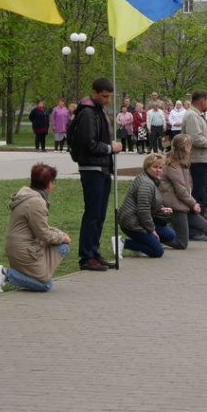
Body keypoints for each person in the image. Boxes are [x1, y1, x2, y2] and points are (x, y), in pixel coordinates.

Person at [0, 164, 71, 293]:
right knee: (46, 285)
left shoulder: (28, 196)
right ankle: (6, 274)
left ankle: (31, 276)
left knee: (63, 247)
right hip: (24, 250)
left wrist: (60, 234)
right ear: (49, 183)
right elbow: (43, 234)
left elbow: (40, 227)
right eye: (53, 181)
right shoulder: (36, 202)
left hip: (20, 246)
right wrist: (62, 237)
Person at [72, 77, 122, 272]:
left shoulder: (99, 110)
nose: (107, 100)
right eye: (104, 96)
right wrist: (111, 148)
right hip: (91, 169)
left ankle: (94, 252)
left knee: (100, 214)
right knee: (92, 214)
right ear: (94, 92)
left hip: (102, 168)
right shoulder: (87, 113)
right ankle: (86, 257)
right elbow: (88, 144)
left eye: (109, 96)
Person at [159, 134, 207, 244]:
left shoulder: (182, 162)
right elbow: (181, 190)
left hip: (182, 203)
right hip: (175, 205)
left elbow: (186, 187)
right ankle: (158, 236)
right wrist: (193, 204)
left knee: (204, 226)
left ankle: (180, 229)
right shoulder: (173, 165)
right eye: (189, 146)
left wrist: (191, 204)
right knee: (182, 243)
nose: (191, 148)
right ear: (184, 147)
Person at [115, 154, 178, 258]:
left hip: (139, 220)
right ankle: (122, 243)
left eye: (160, 168)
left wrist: (161, 209)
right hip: (132, 223)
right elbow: (143, 211)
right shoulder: (146, 184)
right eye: (155, 167)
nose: (158, 170)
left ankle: (142, 242)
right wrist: (152, 230)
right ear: (147, 167)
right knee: (157, 252)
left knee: (170, 235)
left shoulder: (150, 179)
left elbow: (149, 203)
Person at [183, 90, 207, 216]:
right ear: (201, 101)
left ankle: (202, 225)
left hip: (204, 160)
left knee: (204, 194)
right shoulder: (192, 116)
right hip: (198, 160)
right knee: (199, 195)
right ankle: (196, 227)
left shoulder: (197, 115)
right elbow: (196, 138)